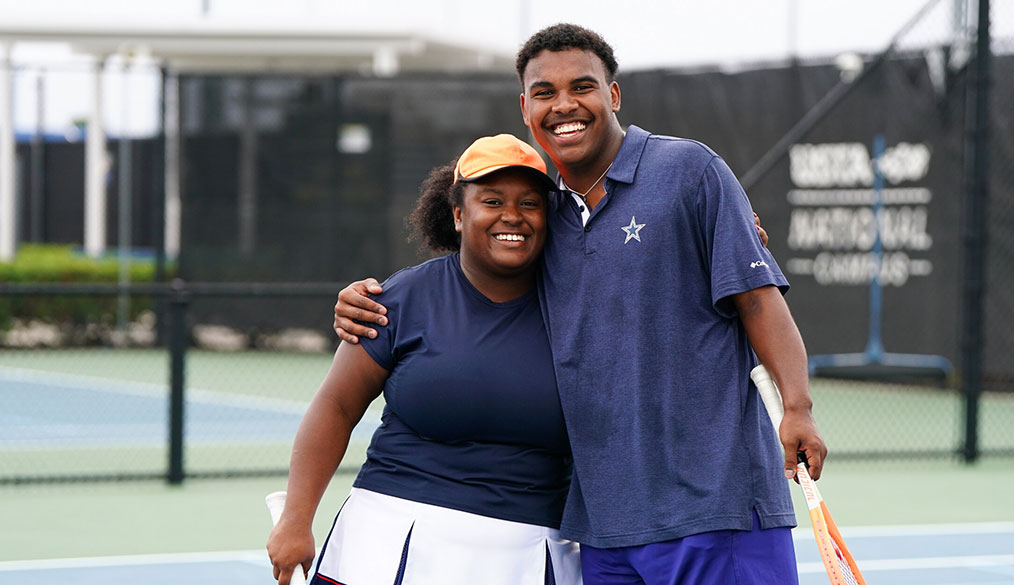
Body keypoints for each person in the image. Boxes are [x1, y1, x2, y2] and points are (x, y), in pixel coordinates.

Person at [333, 24, 827, 585]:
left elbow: (759, 302)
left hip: (717, 512)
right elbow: (475, 263)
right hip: (601, 533)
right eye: (544, 93)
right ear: (525, 108)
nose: (564, 105)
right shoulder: (544, 219)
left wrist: (798, 407)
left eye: (582, 87)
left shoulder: (691, 172)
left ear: (612, 95)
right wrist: (366, 298)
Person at [267, 134, 582, 585]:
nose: (512, 216)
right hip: (387, 538)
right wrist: (296, 519)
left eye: (530, 203)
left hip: (528, 550)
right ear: (458, 214)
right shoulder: (398, 299)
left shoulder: (580, 312)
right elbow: (335, 406)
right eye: (491, 201)